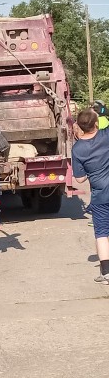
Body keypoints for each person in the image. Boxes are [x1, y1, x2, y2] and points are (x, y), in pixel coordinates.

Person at [70, 108, 109, 284]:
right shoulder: (105, 136)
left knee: (101, 233)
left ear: (79, 126)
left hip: (100, 196)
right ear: (96, 124)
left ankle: (106, 273)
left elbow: (79, 178)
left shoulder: (77, 148)